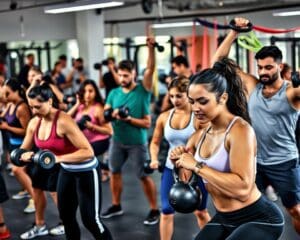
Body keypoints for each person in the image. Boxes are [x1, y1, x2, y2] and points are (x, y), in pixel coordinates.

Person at [170, 59, 284, 239]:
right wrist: (179, 163)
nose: (195, 108)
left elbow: (243, 188)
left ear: (222, 98)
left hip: (259, 218)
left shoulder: (239, 131)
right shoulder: (199, 136)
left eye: (202, 101)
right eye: (192, 102)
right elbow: (189, 183)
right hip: (224, 217)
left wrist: (197, 166)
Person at [212, 17, 300, 235]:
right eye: (260, 67)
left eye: (269, 67)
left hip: (284, 162)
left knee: (295, 209)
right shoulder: (252, 85)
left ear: (279, 66)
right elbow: (219, 62)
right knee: (246, 208)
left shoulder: (291, 92)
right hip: (254, 162)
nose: (263, 72)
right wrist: (233, 32)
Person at [19, 83, 113, 240]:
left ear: (49, 101)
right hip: (66, 171)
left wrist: (57, 159)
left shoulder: (64, 121)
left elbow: (88, 152)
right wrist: (23, 156)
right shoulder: (35, 122)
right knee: (67, 218)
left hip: (86, 171)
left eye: (38, 107)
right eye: (31, 107)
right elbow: (22, 150)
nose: (34, 112)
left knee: (91, 220)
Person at [101, 37, 160, 225]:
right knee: (114, 171)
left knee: (143, 176)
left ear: (134, 74)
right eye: (121, 75)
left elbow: (145, 124)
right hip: (117, 140)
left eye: (127, 75)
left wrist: (150, 49)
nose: (123, 79)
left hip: (137, 142)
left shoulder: (143, 90)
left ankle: (154, 209)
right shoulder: (113, 93)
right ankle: (116, 205)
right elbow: (105, 115)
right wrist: (112, 114)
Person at [149, 76, 211, 240]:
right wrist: (154, 158)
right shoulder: (164, 117)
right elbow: (155, 142)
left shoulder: (198, 117)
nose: (174, 100)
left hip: (195, 171)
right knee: (166, 211)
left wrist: (189, 151)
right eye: (171, 96)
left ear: (188, 95)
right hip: (172, 169)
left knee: (201, 212)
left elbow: (208, 142)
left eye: (179, 96)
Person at [0, 78, 35, 214]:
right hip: (13, 144)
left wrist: (7, 127)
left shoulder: (22, 107)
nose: (6, 97)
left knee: (17, 171)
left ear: (16, 92)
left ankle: (35, 199)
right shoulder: (10, 105)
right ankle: (27, 190)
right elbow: (3, 116)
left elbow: (27, 131)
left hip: (23, 144)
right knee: (22, 172)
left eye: (8, 94)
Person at [68, 79, 113, 182]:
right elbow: (65, 119)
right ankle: (104, 169)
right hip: (85, 142)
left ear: (96, 92)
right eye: (84, 91)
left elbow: (110, 131)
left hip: (100, 141)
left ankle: (106, 168)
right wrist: (76, 104)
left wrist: (92, 126)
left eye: (90, 91)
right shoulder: (80, 107)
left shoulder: (98, 108)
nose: (87, 94)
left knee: (83, 156)